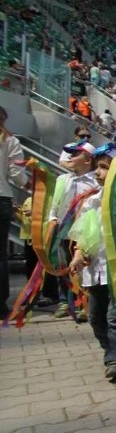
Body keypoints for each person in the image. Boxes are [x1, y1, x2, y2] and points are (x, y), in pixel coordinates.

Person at [68, 144, 116, 382]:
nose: (98, 172)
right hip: (96, 269)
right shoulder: (91, 201)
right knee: (96, 317)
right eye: (98, 167)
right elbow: (85, 233)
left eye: (105, 168)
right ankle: (111, 349)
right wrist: (78, 254)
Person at [49, 140, 98, 321]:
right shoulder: (63, 179)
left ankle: (83, 302)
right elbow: (56, 202)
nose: (70, 157)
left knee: (82, 264)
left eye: (76, 154)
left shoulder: (95, 181)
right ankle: (64, 300)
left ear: (87, 160)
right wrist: (52, 218)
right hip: (64, 227)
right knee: (62, 263)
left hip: (85, 229)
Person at [0, 106, 28, 319]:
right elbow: (17, 175)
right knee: (1, 255)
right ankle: (1, 306)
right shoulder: (10, 141)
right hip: (2, 198)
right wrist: (30, 186)